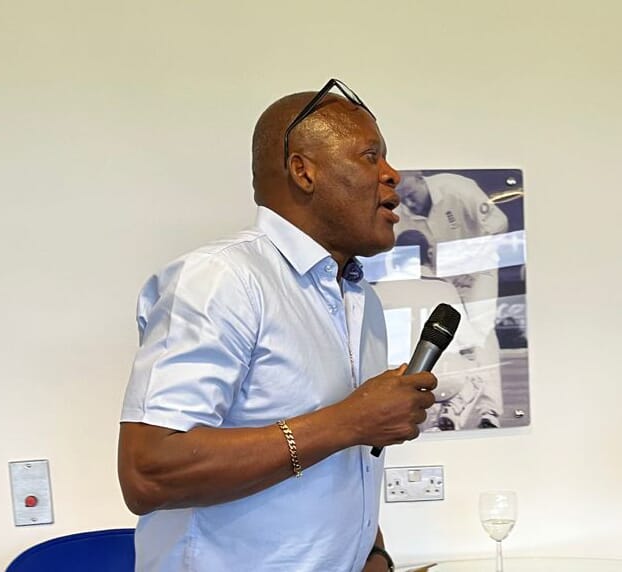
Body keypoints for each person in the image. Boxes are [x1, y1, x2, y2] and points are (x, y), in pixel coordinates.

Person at [117, 80, 437, 572]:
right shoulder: (221, 280)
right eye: (370, 156)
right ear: (303, 171)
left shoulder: (361, 300)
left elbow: (343, 468)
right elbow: (149, 472)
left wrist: (372, 552)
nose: (392, 175)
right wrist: (349, 422)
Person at [394, 171, 509, 429]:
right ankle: (451, 410)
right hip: (440, 277)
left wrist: (472, 258)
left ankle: (489, 410)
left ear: (420, 179)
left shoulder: (458, 189)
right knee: (447, 336)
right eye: (404, 200)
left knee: (481, 332)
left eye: (411, 195)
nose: (409, 204)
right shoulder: (400, 211)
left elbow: (499, 224)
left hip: (479, 270)